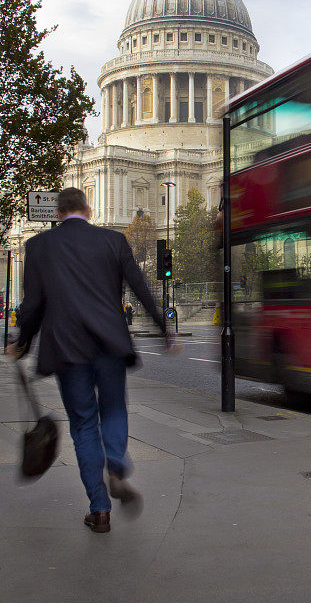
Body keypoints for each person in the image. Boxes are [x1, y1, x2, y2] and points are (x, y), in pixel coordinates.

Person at [7, 187, 178, 533]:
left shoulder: (39, 247)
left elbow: (33, 304)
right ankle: (116, 464)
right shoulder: (112, 241)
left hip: (67, 347)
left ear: (58, 213)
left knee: (83, 425)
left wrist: (22, 341)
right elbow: (141, 288)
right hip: (109, 343)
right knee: (114, 409)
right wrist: (165, 329)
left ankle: (99, 510)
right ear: (86, 208)